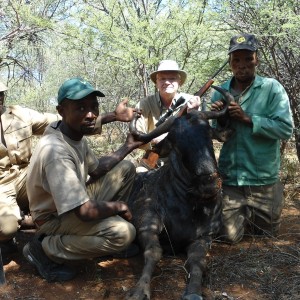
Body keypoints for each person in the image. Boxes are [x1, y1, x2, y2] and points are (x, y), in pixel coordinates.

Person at [22, 77, 144, 282]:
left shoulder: (69, 130)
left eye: (93, 107)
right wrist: (119, 207)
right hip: (53, 218)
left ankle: (97, 236)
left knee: (126, 168)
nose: (90, 114)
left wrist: (128, 146)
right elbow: (84, 212)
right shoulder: (57, 151)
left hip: (72, 204)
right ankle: (44, 248)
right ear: (61, 110)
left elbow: (97, 171)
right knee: (123, 233)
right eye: (81, 108)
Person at [210, 33, 293, 243]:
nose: (242, 65)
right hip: (232, 182)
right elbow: (219, 136)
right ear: (230, 63)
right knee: (228, 238)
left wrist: (248, 118)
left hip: (264, 181)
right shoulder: (219, 93)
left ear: (257, 59)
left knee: (266, 237)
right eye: (236, 60)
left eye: (248, 58)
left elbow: (285, 129)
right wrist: (220, 119)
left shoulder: (272, 88)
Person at [0, 79, 60, 260]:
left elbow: (61, 120)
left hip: (27, 175)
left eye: (0, 95)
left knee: (58, 177)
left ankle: (48, 228)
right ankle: (7, 239)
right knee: (6, 227)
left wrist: (107, 117)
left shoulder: (19, 115)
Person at [135, 59, 201, 170]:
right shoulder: (144, 104)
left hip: (184, 161)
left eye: (172, 78)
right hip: (154, 161)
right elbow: (136, 136)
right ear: (156, 82)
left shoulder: (191, 102)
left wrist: (194, 115)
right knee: (139, 173)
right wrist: (153, 141)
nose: (167, 82)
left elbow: (199, 136)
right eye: (162, 79)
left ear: (179, 82)